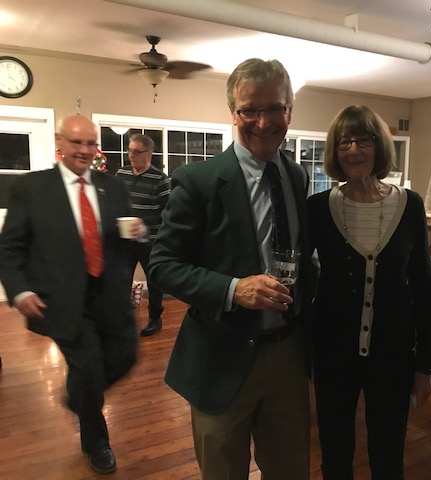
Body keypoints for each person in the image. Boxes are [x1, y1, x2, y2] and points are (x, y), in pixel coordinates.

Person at [148, 58, 314, 479]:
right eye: (249, 110)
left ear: (290, 111)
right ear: (233, 112)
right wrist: (233, 288)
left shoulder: (297, 177)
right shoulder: (198, 181)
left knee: (291, 470)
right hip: (221, 355)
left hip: (288, 353)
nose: (263, 122)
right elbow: (163, 266)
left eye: (274, 108)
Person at [0, 114, 145, 475]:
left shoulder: (113, 187)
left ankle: (78, 396)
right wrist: (19, 290)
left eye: (90, 143)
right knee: (88, 368)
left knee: (126, 356)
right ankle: (97, 443)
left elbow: (124, 241)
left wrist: (137, 235)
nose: (84, 150)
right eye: (76, 142)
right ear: (59, 143)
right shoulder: (32, 188)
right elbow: (10, 247)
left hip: (109, 296)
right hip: (64, 300)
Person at [307, 105, 431, 480]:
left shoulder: (410, 205)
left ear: (379, 146)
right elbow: (298, 274)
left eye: (363, 140)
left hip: (393, 354)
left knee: (388, 452)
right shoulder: (318, 208)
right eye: (344, 142)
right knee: (335, 451)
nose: (353, 150)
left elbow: (423, 285)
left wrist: (424, 365)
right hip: (332, 353)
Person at [116, 134, 170, 336]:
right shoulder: (121, 174)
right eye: (130, 151)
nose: (131, 155)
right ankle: (122, 319)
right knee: (122, 280)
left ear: (149, 154)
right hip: (125, 240)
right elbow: (116, 203)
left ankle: (155, 319)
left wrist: (146, 229)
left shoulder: (160, 180)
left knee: (154, 282)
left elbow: (168, 214)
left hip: (151, 242)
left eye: (137, 152)